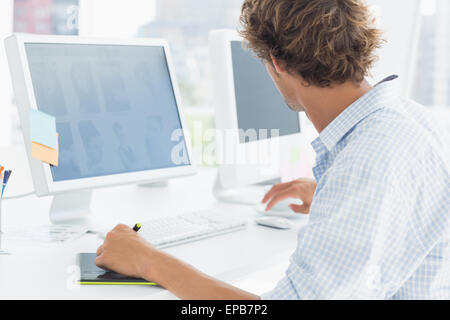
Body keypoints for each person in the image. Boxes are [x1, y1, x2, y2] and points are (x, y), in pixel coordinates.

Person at [95, 0, 450, 299]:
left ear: (276, 62)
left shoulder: (368, 160)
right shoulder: (408, 120)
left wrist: (148, 262)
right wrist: (335, 197)